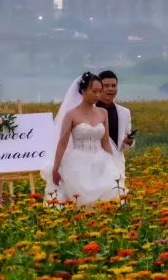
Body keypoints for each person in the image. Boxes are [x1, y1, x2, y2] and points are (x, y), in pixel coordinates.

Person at [41, 72, 127, 207]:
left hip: (101, 160)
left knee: (110, 193)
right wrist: (56, 168)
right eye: (94, 91)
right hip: (77, 161)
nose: (98, 95)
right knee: (78, 198)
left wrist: (113, 164)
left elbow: (105, 142)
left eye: (100, 91)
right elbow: (62, 142)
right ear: (83, 91)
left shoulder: (102, 113)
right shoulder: (71, 114)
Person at [97, 70, 135, 184]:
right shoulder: (89, 110)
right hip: (94, 164)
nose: (110, 89)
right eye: (106, 86)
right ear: (98, 88)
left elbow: (124, 142)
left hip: (116, 164)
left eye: (113, 85)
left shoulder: (124, 112)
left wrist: (129, 142)